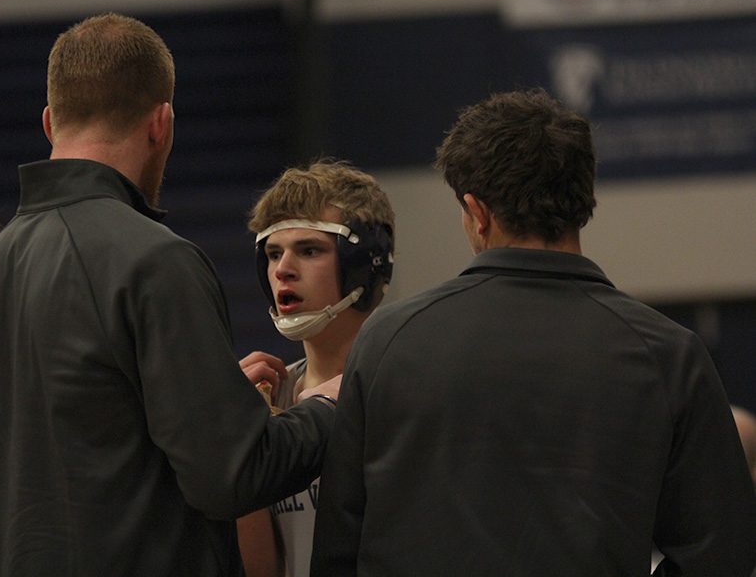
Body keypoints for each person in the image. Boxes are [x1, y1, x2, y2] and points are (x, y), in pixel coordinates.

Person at [0, 13, 338, 577]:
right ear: (161, 123)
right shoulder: (153, 260)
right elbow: (234, 476)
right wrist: (328, 406)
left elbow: (61, 465)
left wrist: (205, 406)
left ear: (49, 123)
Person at [310, 89, 756, 576]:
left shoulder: (387, 342)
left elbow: (338, 550)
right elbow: (722, 557)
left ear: (478, 213)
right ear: (583, 201)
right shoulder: (669, 354)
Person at [237, 160, 395, 577]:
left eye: (309, 250)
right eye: (272, 253)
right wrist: (235, 439)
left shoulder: (407, 391)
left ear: (364, 263)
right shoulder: (268, 401)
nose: (283, 269)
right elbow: (261, 570)